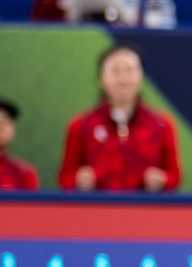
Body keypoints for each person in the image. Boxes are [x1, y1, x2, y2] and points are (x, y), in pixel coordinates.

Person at [58, 43, 181, 192]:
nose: (123, 80)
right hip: (98, 205)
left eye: (130, 71)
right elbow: (65, 178)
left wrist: (163, 179)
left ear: (141, 76)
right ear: (100, 78)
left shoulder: (162, 123)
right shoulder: (80, 124)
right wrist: (78, 179)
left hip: (144, 205)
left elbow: (175, 176)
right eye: (115, 71)